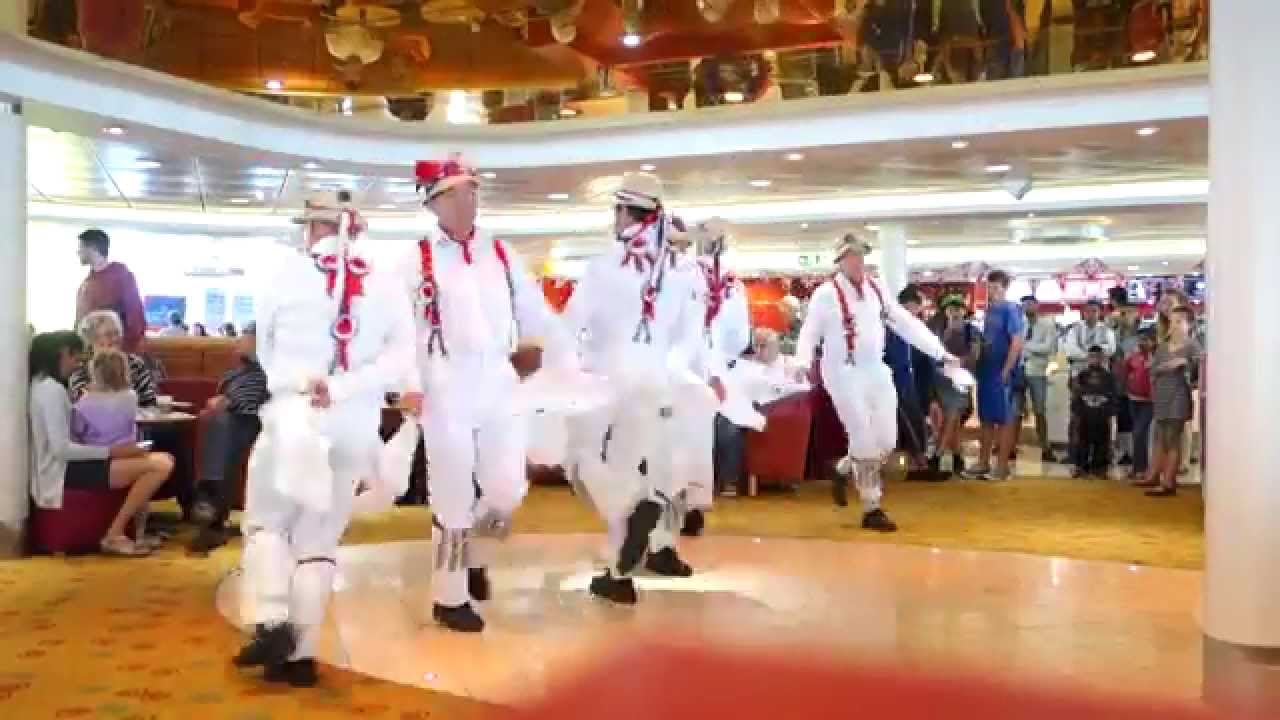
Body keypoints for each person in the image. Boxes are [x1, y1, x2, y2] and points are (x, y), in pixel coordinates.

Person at [234, 191, 416, 688]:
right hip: (355, 425)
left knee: (268, 525)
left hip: (294, 418)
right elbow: (401, 361)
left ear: (315, 229)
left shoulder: (284, 274)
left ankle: (272, 624)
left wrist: (306, 384)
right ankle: (301, 656)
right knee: (318, 542)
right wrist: (342, 388)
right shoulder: (387, 284)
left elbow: (265, 347)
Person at [401, 155, 573, 632]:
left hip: (498, 381)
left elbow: (537, 313)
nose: (469, 200)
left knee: (506, 490)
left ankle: (471, 549)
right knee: (452, 495)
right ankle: (449, 595)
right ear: (434, 202)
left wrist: (566, 357)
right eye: (458, 192)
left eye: (473, 190)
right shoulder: (414, 259)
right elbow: (400, 330)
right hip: (444, 384)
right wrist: (409, 386)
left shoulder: (501, 252)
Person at [563, 172, 727, 604]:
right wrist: (670, 373)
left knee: (581, 465)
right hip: (654, 383)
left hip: (604, 381)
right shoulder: (685, 270)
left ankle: (635, 505)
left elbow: (570, 326)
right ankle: (616, 575)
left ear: (622, 212)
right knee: (625, 466)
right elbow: (690, 337)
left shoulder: (603, 265)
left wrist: (559, 372)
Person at [793, 234, 957, 531]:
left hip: (876, 370)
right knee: (864, 438)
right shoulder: (826, 294)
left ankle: (845, 467)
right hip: (842, 372)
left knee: (887, 441)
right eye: (852, 256)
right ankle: (872, 506)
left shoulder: (877, 289)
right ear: (841, 260)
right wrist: (802, 362)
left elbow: (906, 323)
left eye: (861, 255)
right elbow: (809, 331)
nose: (858, 261)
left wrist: (940, 352)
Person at [29, 332, 174, 557]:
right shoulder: (51, 390)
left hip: (72, 466)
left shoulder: (46, 387)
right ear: (63, 353)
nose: (77, 365)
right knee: (161, 464)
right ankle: (115, 533)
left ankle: (126, 531)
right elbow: (61, 449)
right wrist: (113, 451)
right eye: (75, 358)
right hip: (65, 470)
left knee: (162, 460)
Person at [675, 217, 751, 536]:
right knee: (698, 437)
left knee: (678, 437)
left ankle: (678, 504)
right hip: (707, 369)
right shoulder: (731, 284)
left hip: (682, 366)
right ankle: (693, 505)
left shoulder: (681, 274)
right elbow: (740, 338)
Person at [189, 323, 268, 555]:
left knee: (225, 425)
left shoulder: (269, 371)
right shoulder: (232, 374)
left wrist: (230, 402)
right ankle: (210, 505)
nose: (239, 341)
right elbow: (223, 397)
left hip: (258, 422)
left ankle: (209, 500)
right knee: (218, 423)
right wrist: (219, 403)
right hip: (231, 422)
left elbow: (260, 400)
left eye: (246, 337)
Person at [963, 270, 1024, 482]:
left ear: (1004, 288)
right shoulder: (989, 310)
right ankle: (983, 462)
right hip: (986, 371)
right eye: (989, 287)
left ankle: (1002, 466)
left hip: (1001, 371)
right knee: (986, 418)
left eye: (996, 287)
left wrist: (1006, 371)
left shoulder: (1011, 309)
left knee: (1005, 420)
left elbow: (1016, 343)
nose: (991, 291)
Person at [1137, 306, 1200, 498]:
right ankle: (1155, 474)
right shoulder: (1163, 346)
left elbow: (1198, 373)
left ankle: (1169, 481)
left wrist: (1185, 364)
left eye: (1180, 322)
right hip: (1161, 396)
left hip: (1179, 395)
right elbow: (1153, 369)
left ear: (1189, 324)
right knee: (1160, 436)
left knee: (1172, 438)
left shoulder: (1192, 346)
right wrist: (1165, 367)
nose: (1174, 326)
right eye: (1173, 321)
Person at [884, 285, 935, 474]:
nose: (917, 312)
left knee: (913, 419)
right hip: (896, 379)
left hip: (908, 379)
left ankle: (917, 460)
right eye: (916, 307)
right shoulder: (891, 327)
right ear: (908, 305)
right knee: (908, 420)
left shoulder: (907, 327)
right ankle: (918, 461)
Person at [76, 228, 147, 354]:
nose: (78, 252)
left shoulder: (121, 276)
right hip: (92, 352)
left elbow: (135, 318)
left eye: (81, 247)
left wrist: (123, 352)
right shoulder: (87, 282)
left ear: (92, 248)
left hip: (115, 354)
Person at [69, 310, 159, 407]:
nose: (115, 338)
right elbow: (83, 403)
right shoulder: (81, 368)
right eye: (108, 335)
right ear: (92, 339)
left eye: (117, 333)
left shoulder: (135, 363)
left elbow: (149, 400)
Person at [931, 295, 979, 475]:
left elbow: (975, 355)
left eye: (958, 308)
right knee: (953, 418)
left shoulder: (971, 331)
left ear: (964, 311)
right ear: (945, 311)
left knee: (953, 417)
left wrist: (958, 362)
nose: (955, 311)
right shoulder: (937, 330)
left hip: (960, 380)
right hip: (942, 380)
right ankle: (952, 455)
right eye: (951, 308)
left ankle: (942, 454)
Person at [1018, 295, 1059, 463]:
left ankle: (1045, 447)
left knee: (1040, 411)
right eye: (1024, 305)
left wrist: (1025, 347)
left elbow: (1048, 347)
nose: (1027, 307)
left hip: (1038, 372)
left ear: (1037, 306)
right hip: (1019, 371)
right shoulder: (1018, 325)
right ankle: (1010, 446)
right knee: (1015, 411)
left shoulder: (1048, 325)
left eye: (1030, 304)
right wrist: (1028, 348)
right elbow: (1012, 346)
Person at [1071, 346, 1117, 478]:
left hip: (1102, 415)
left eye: (1097, 356)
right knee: (1082, 442)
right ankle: (1081, 466)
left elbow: (1113, 396)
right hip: (1085, 414)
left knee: (1102, 442)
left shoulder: (1109, 377)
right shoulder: (1081, 376)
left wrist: (1111, 413)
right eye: (1092, 356)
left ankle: (1100, 468)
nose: (1094, 359)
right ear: (1088, 358)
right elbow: (1076, 395)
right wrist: (1076, 412)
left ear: (1102, 358)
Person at [1107, 286, 1141, 466]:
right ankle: (1128, 451)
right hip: (1124, 373)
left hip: (1126, 374)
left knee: (1126, 413)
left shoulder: (1118, 315)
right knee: (1126, 413)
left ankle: (1129, 451)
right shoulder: (1131, 313)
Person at [1124, 330, 1156, 481]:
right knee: (1138, 435)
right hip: (1133, 399)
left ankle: (1141, 468)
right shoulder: (1133, 356)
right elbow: (1126, 371)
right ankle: (1139, 468)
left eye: (1147, 340)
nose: (1143, 342)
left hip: (1149, 402)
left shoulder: (1156, 358)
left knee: (1139, 432)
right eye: (1141, 339)